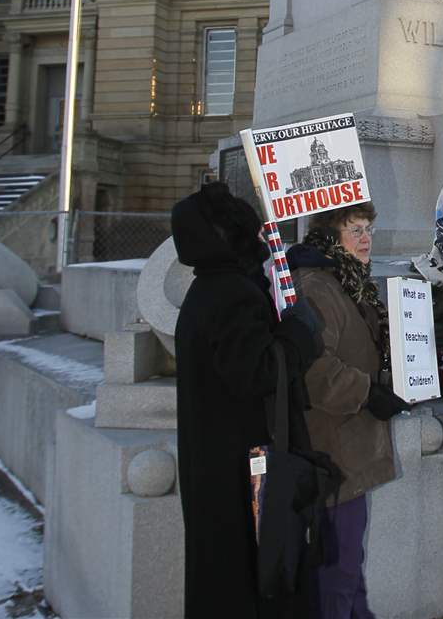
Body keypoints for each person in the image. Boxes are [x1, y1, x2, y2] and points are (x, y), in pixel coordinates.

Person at [173, 182, 325, 619]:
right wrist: (299, 330)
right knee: (253, 581)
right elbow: (260, 370)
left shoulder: (211, 289)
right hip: (244, 468)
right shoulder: (229, 294)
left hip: (220, 463)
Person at [287, 202, 411, 619]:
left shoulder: (346, 280)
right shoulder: (317, 286)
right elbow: (313, 369)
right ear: (329, 236)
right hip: (333, 449)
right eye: (354, 230)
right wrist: (368, 392)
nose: (365, 239)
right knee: (337, 568)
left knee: (347, 564)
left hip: (350, 445)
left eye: (368, 230)